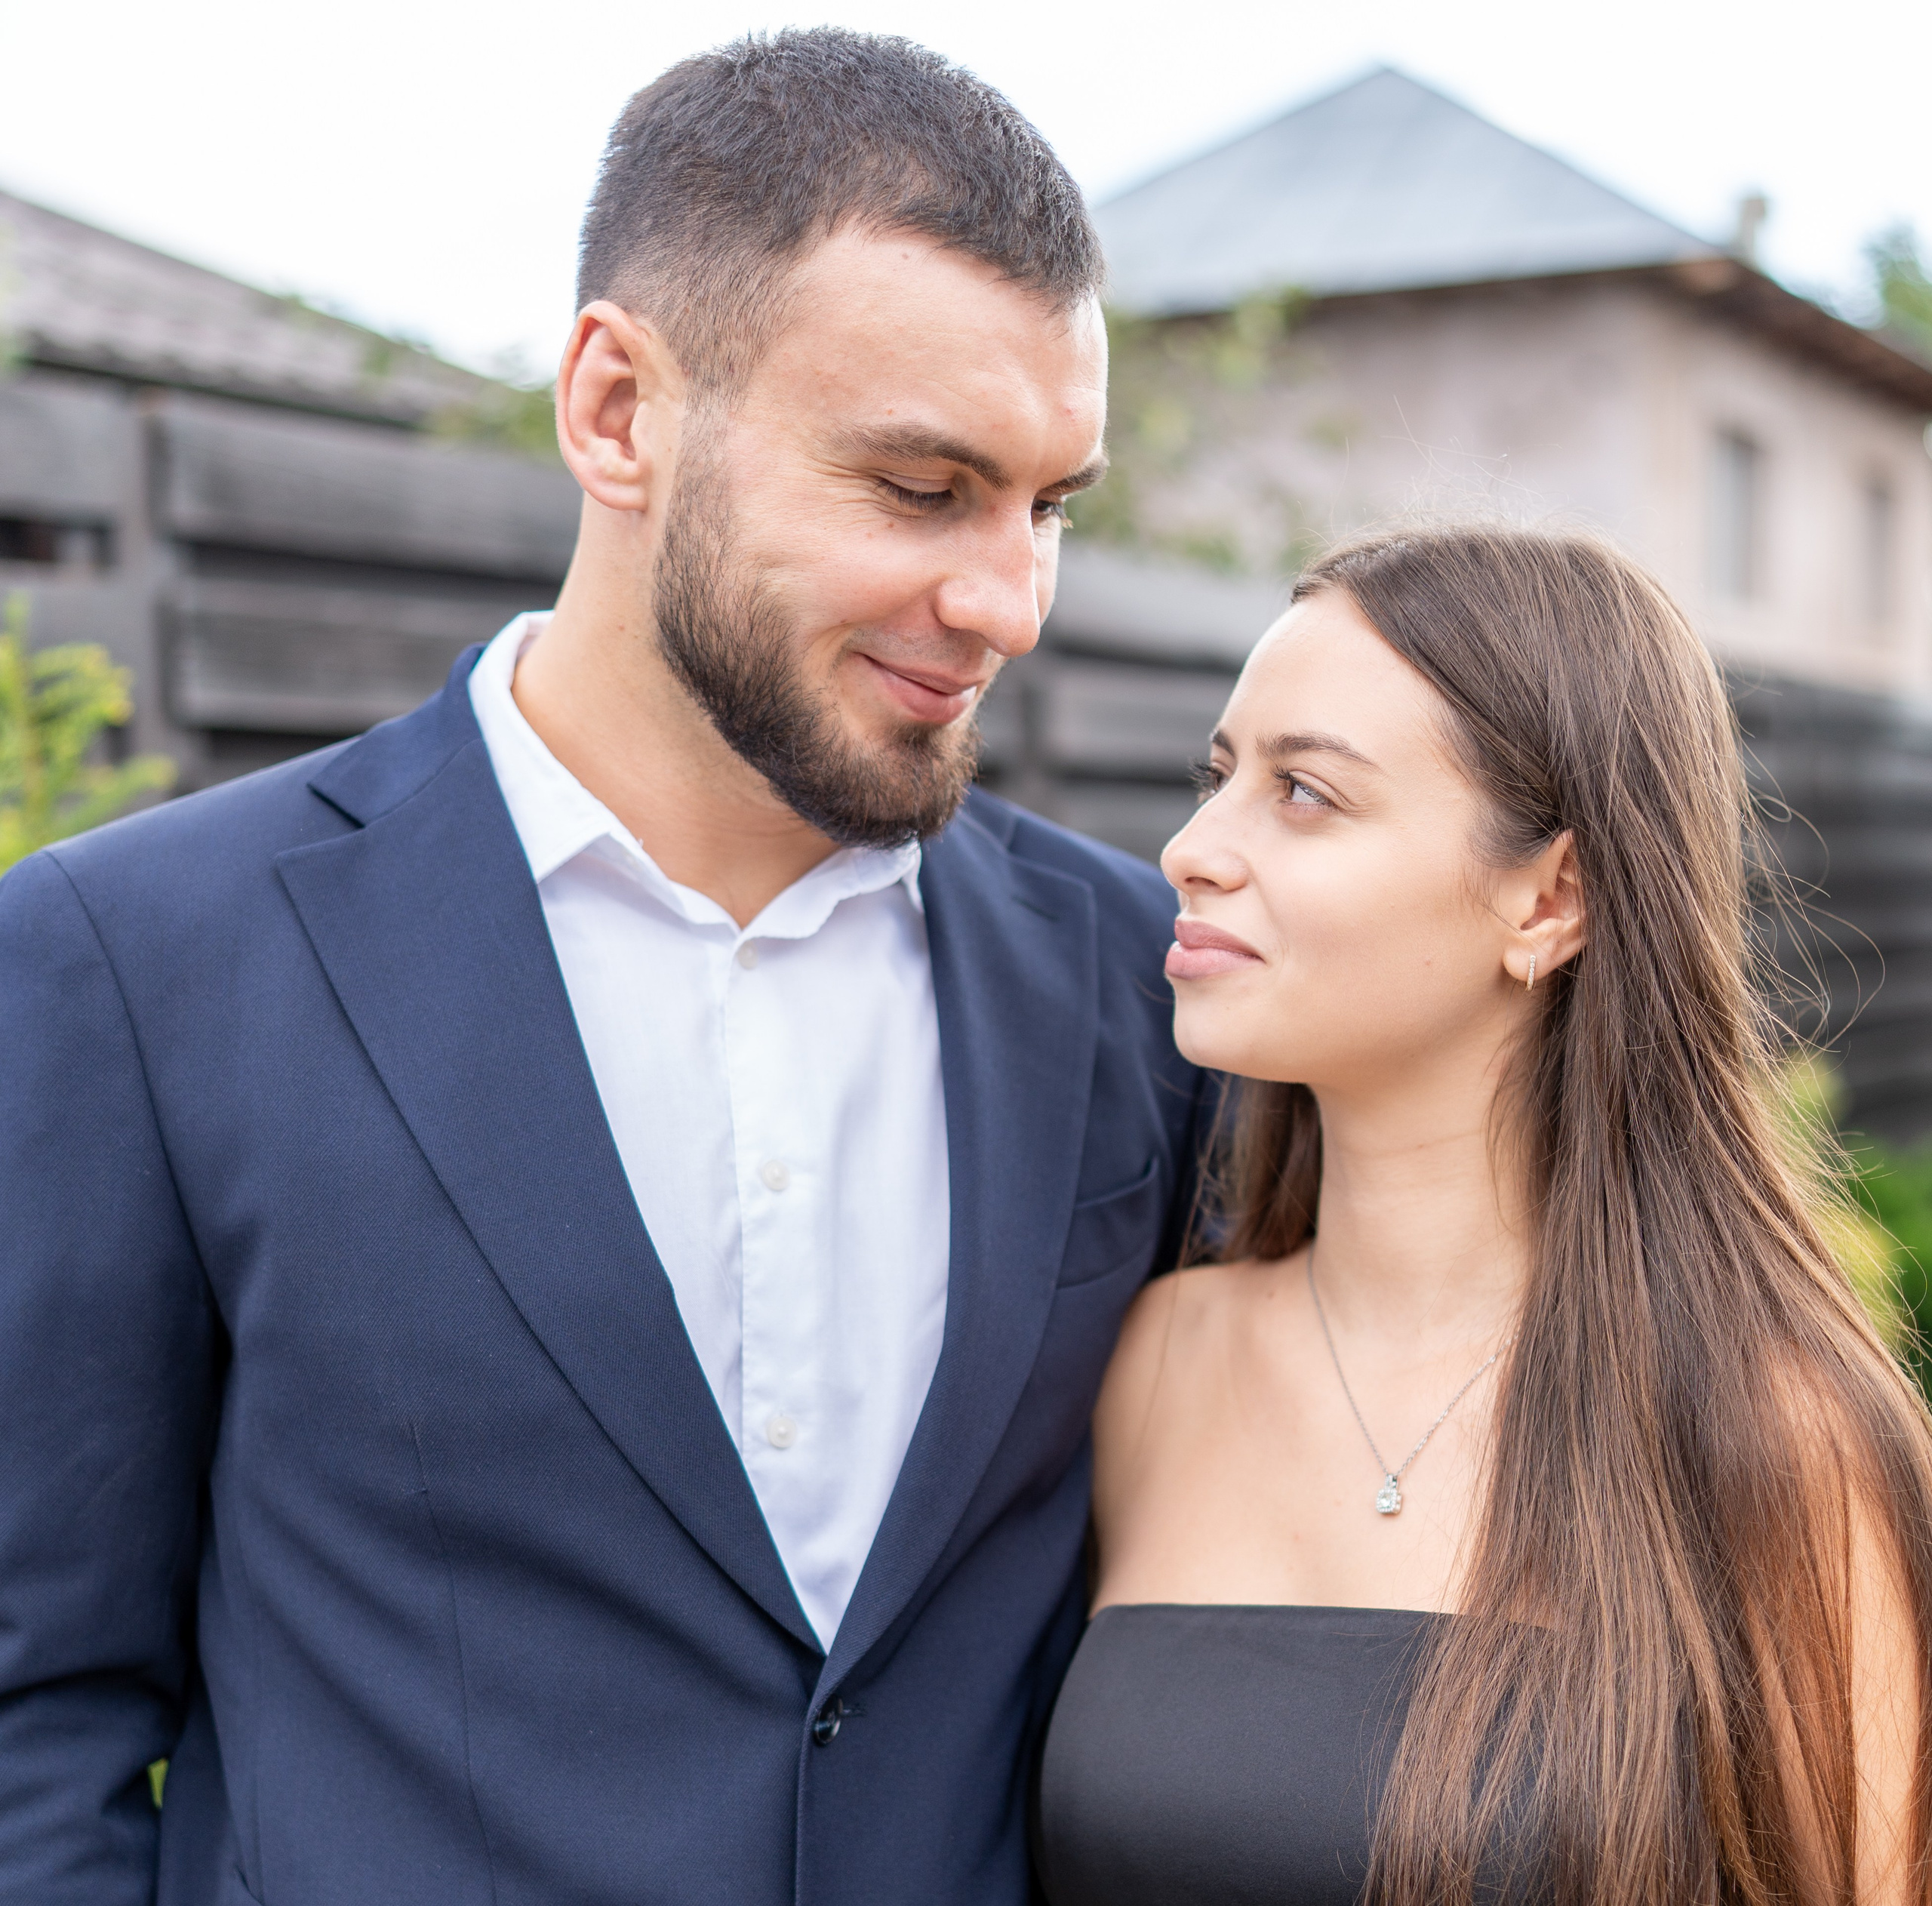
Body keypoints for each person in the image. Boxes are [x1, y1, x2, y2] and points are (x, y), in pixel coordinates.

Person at [0, 32, 1207, 1905]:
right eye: (918, 486)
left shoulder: (1146, 983)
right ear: (617, 409)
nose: (1009, 602)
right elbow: (33, 1716)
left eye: (1046, 505)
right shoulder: (138, 961)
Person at [1035, 525, 1932, 1905]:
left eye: (1305, 794)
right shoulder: (1153, 1360)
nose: (1193, 849)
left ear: (1551, 894)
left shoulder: (1767, 1431)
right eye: (1216, 778)